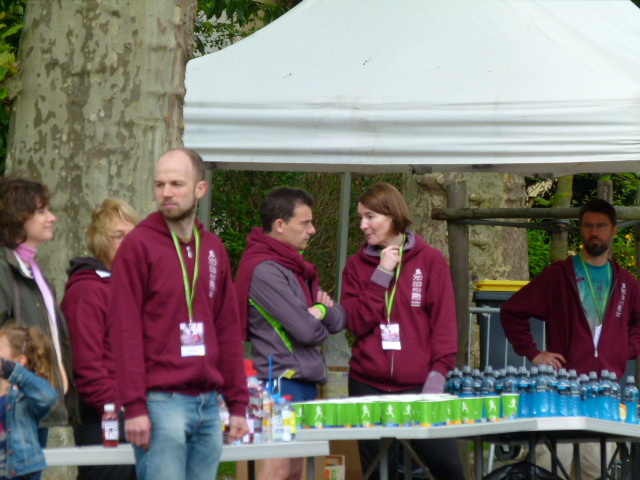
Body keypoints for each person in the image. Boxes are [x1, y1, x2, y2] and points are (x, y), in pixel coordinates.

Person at [109, 148, 249, 480]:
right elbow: (125, 330)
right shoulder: (138, 245)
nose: (166, 193)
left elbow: (227, 330)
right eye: (160, 184)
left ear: (200, 188)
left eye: (176, 184)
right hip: (161, 402)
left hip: (208, 404)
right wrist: (135, 405)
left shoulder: (212, 248)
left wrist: (238, 403)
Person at [501, 198, 640, 480]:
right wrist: (533, 353)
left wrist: (624, 349)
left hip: (604, 394)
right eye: (588, 226)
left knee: (596, 471)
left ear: (614, 230)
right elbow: (512, 311)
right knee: (550, 469)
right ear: (580, 229)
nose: (594, 232)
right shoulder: (559, 275)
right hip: (561, 392)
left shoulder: (626, 281)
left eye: (601, 226)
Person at [340, 183, 465, 480]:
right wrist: (382, 273)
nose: (363, 225)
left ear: (392, 215)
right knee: (379, 473)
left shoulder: (430, 260)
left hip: (420, 386)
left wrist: (436, 381)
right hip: (368, 385)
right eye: (360, 218)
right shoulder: (356, 266)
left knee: (448, 468)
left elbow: (445, 327)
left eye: (370, 217)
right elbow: (356, 323)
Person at [235, 186, 346, 480]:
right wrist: (320, 311)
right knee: (279, 469)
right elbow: (307, 331)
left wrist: (320, 312)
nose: (313, 230)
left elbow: (339, 318)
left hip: (304, 381)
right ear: (280, 225)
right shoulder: (264, 270)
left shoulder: (295, 268)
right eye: (305, 223)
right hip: (280, 383)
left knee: (296, 470)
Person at [61, 198, 139, 480]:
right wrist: (119, 410)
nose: (129, 244)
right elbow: (86, 366)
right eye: (119, 236)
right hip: (103, 420)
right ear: (101, 241)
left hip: (135, 417)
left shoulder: (125, 285)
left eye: (133, 236)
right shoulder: (87, 291)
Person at [0, 177, 78, 440]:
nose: (52, 218)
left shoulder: (35, 271)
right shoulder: (3, 270)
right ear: (18, 217)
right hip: (12, 406)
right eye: (41, 211)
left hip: (35, 403)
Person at [0, 324, 59, 480]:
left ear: (20, 361)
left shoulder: (24, 397)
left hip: (20, 474)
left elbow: (48, 397)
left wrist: (11, 370)